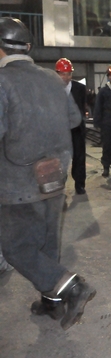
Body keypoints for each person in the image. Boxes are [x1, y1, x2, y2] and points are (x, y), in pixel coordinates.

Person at [0, 17, 95, 330]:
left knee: (16, 248)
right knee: (47, 244)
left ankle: (72, 287)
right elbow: (74, 120)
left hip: (17, 181)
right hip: (53, 176)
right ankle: (51, 303)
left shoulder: (2, 80)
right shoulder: (53, 79)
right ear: (28, 47)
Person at [55, 58, 87, 194]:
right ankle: (59, 185)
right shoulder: (51, 89)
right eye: (62, 74)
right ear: (57, 73)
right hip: (59, 131)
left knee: (79, 157)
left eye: (68, 74)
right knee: (59, 159)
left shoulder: (80, 89)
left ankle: (80, 184)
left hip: (77, 129)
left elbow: (83, 107)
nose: (66, 77)